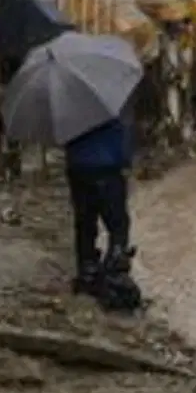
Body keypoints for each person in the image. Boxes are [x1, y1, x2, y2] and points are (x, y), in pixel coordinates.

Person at [64, 104, 133, 295]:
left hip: (78, 168)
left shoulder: (69, 106)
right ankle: (116, 270)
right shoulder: (110, 101)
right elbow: (124, 138)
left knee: (85, 223)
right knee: (118, 224)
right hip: (107, 169)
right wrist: (126, 161)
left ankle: (87, 271)